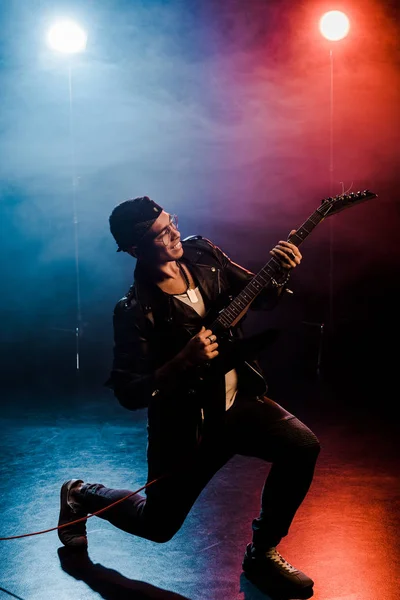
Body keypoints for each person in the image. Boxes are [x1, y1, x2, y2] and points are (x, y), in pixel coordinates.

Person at [58, 195, 320, 599]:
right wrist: (182, 360)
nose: (174, 233)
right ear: (134, 249)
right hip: (187, 427)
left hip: (238, 404)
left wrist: (280, 273)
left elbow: (261, 297)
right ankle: (80, 494)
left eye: (171, 222)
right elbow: (130, 392)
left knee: (302, 446)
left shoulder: (203, 254)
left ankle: (262, 552)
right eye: (162, 232)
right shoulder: (134, 310)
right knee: (158, 527)